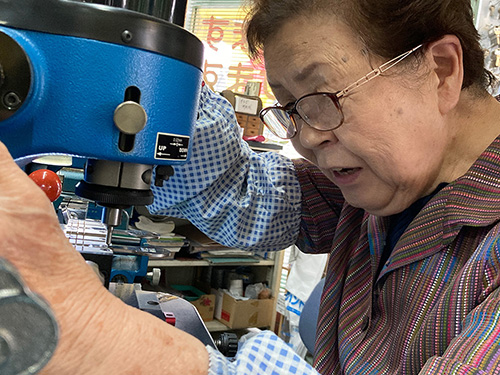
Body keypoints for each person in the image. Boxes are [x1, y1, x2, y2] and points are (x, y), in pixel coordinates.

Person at [2, 0, 500, 373]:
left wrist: (129, 349)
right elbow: (247, 195)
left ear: (441, 70)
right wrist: (167, 95)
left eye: (322, 96)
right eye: (289, 109)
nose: (306, 137)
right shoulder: (389, 183)